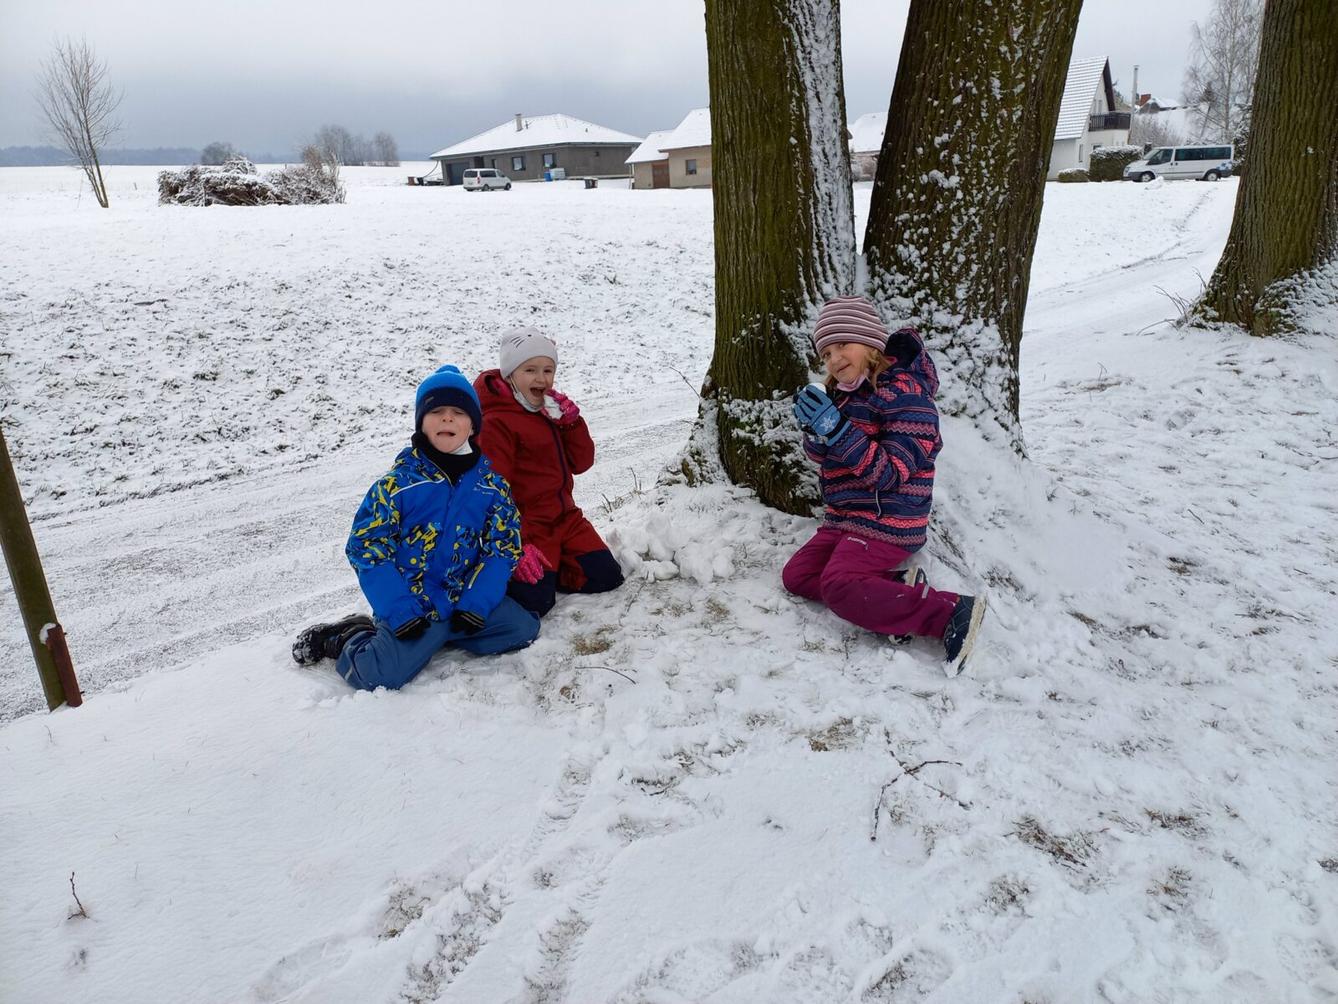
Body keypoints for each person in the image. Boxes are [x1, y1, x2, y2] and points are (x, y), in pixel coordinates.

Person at [291, 364, 539, 689]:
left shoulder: (492, 488)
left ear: (473, 426)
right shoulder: (397, 486)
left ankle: (440, 636)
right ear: (422, 422)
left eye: (458, 412)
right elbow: (367, 549)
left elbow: (502, 550)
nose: (447, 418)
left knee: (523, 629)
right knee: (379, 674)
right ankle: (347, 635)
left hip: (463, 598)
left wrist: (477, 602)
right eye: (436, 410)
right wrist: (399, 609)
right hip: (414, 604)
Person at [782, 295, 986, 674]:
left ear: (871, 343)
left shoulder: (907, 397)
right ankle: (895, 587)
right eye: (826, 352)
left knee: (839, 586)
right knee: (798, 577)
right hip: (846, 519)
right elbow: (829, 458)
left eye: (843, 344)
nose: (834, 358)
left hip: (887, 521)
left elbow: (891, 475)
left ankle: (949, 612)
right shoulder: (842, 398)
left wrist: (837, 430)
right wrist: (816, 433)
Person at [473, 327, 624, 616]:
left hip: (566, 520)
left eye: (548, 370)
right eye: (530, 369)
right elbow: (493, 492)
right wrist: (516, 545)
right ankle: (499, 576)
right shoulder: (496, 422)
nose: (541, 379)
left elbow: (582, 463)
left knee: (607, 576)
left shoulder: (550, 410)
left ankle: (552, 573)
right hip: (528, 527)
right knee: (537, 603)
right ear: (510, 375)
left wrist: (572, 424)